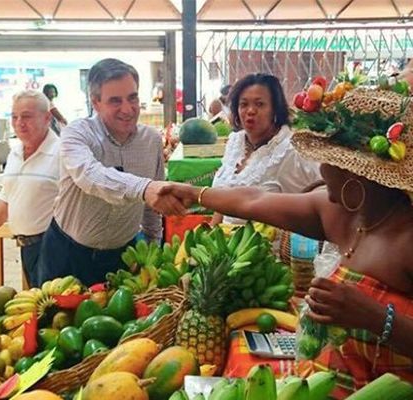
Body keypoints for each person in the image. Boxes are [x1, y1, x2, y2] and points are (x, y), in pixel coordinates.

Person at [166, 86, 413, 397]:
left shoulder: (406, 237)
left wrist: (377, 318)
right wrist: (194, 194)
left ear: (357, 175)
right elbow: (254, 200)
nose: (320, 170)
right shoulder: (339, 212)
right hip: (327, 384)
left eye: (327, 160)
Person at [36, 58, 186, 286]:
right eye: (115, 101)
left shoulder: (151, 140)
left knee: (120, 320)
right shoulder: (77, 134)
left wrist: (153, 249)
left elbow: (152, 207)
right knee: (55, 319)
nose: (127, 109)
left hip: (122, 257)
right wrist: (144, 188)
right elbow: (90, 176)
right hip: (67, 254)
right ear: (95, 102)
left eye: (132, 98)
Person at [0, 90, 59, 288]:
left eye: (27, 117)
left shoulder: (62, 153)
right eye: (14, 117)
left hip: (54, 248)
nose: (19, 122)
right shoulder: (15, 152)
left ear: (47, 118)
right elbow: (6, 199)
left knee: (54, 311)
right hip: (27, 247)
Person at [210, 73, 321, 225]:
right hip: (225, 243)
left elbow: (321, 195)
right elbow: (222, 202)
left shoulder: (290, 149)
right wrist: (210, 232)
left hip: (267, 245)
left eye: (259, 104)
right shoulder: (235, 142)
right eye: (243, 104)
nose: (250, 111)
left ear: (275, 110)